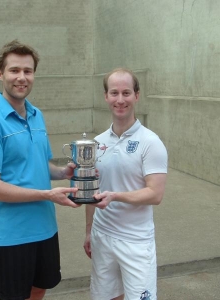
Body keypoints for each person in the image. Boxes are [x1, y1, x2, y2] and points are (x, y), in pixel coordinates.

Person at [0, 39, 80, 300]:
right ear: (0, 73)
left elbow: (39, 164)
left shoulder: (36, 115)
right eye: (14, 70)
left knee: (39, 288)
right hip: (12, 235)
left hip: (45, 227)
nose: (21, 78)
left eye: (27, 71)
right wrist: (46, 195)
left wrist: (63, 173)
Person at [83, 68, 168, 300]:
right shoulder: (97, 143)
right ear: (106, 96)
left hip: (136, 241)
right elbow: (92, 190)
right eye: (114, 93)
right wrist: (89, 231)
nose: (120, 100)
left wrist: (115, 196)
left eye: (126, 93)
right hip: (102, 236)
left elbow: (155, 194)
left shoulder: (151, 143)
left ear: (137, 95)